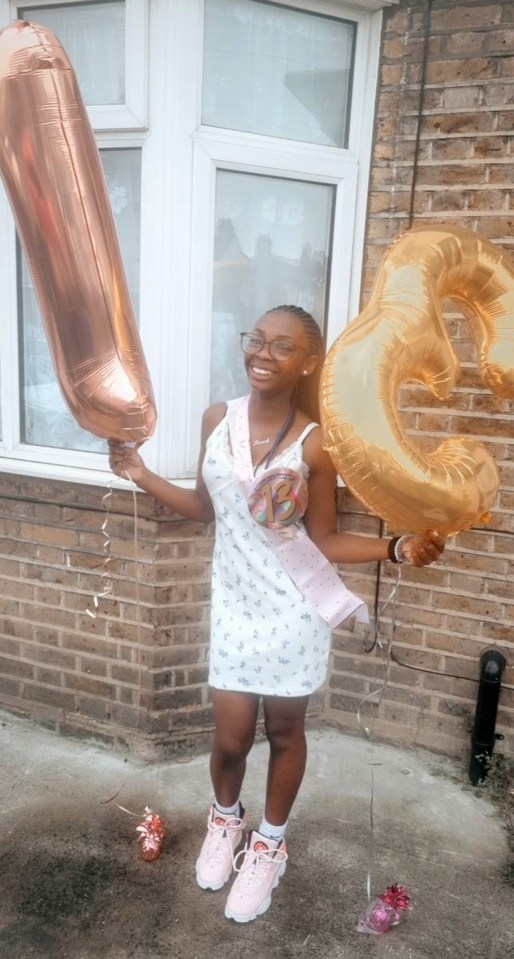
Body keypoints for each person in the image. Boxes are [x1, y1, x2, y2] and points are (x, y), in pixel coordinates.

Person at [108, 305, 444, 924]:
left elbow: (325, 539)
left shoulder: (317, 443)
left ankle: (268, 844)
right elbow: (208, 508)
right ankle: (225, 822)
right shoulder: (218, 419)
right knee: (231, 739)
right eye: (255, 339)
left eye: (281, 346)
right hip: (234, 609)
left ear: (307, 361)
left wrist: (395, 548)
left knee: (286, 734)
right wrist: (139, 472)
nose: (262, 353)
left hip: (293, 611)